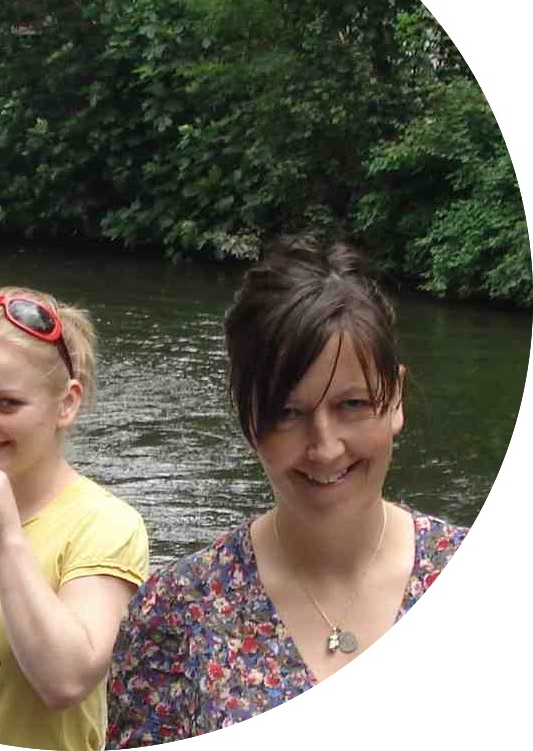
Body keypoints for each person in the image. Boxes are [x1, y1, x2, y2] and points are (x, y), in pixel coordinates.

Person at [107, 235, 467, 744]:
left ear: (396, 400)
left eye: (352, 405)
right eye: (287, 413)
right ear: (247, 419)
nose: (325, 447)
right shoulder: (175, 613)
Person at [0, 287, 150, 751]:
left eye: (7, 404)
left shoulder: (105, 524)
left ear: (66, 404)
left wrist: (8, 535)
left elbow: (66, 680)